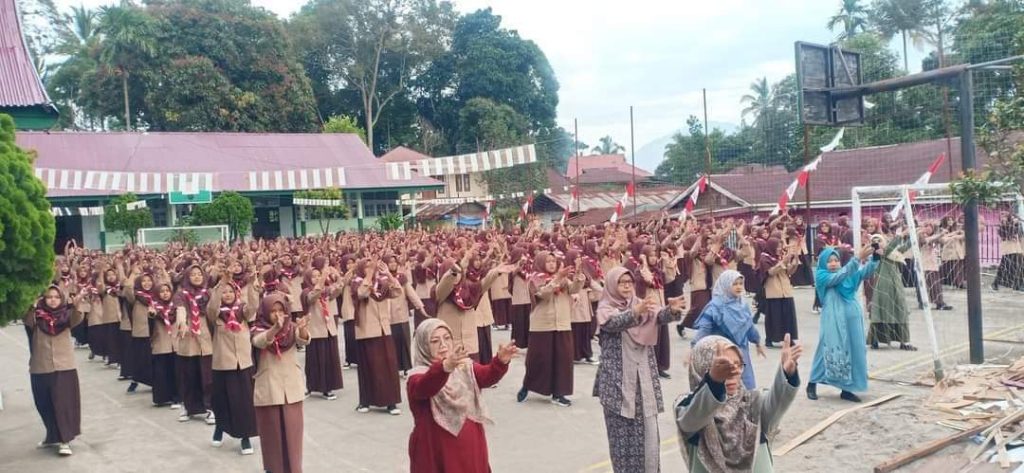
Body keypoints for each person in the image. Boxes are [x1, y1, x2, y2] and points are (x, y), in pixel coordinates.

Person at [593, 267, 685, 473]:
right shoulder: (605, 308)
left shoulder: (641, 304)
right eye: (622, 282)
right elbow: (614, 323)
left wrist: (672, 310)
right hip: (617, 387)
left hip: (644, 383)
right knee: (622, 442)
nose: (627, 286)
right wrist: (635, 312)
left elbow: (659, 316)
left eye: (630, 282)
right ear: (612, 285)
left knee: (649, 436)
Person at [674, 334, 802, 473]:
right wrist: (714, 382)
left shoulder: (751, 402)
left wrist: (787, 374)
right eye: (723, 366)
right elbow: (691, 420)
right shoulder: (688, 406)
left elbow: (775, 406)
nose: (732, 372)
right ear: (702, 367)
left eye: (737, 364)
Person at [406, 318, 517, 473]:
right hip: (435, 451)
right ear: (423, 345)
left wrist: (500, 361)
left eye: (447, 338)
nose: (443, 345)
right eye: (435, 341)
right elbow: (425, 387)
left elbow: (486, 376)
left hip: (470, 447)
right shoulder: (416, 377)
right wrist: (444, 368)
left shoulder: (464, 366)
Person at [807, 246, 879, 403]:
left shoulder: (847, 272)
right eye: (829, 261)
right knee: (828, 349)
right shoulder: (822, 275)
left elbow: (863, 273)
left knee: (855, 349)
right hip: (832, 319)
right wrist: (857, 259)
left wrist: (876, 258)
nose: (833, 264)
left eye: (836, 260)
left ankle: (847, 389)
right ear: (823, 263)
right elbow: (838, 277)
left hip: (852, 318)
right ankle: (812, 382)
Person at [251, 293, 311, 473]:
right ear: (265, 312)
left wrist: (302, 329)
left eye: (280, 310)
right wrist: (274, 329)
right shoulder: (257, 328)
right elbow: (260, 341)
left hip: (291, 388)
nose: (277, 314)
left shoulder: (290, 327)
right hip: (269, 388)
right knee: (272, 435)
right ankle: (273, 469)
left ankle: (294, 468)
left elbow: (303, 340)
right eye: (273, 311)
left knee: (293, 434)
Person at [517, 251, 583, 407]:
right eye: (548, 261)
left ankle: (558, 393)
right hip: (542, 325)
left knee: (562, 360)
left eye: (554, 261)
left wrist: (578, 273)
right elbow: (543, 294)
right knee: (539, 360)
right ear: (540, 263)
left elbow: (574, 289)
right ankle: (528, 384)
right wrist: (558, 278)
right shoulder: (534, 278)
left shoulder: (563, 279)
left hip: (562, 324)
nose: (552, 264)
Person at [26, 286, 84, 456]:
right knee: (44, 403)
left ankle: (65, 440)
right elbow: (27, 320)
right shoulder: (37, 316)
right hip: (40, 366)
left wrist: (76, 305)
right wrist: (31, 305)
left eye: (57, 297)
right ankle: (52, 436)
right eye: (49, 297)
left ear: (61, 299)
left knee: (63, 404)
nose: (53, 300)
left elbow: (77, 318)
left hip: (64, 366)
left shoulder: (66, 315)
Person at [207, 271, 259, 455]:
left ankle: (245, 436)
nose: (227, 295)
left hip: (243, 363)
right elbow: (212, 307)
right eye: (224, 292)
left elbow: (253, 306)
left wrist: (251, 285)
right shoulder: (215, 315)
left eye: (230, 291)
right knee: (222, 399)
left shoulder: (242, 311)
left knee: (244, 402)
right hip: (223, 364)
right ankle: (220, 427)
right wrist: (221, 283)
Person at [692, 270, 765, 389]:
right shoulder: (715, 306)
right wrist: (693, 348)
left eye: (740, 283)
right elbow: (704, 329)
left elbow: (749, 327)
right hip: (723, 352)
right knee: (725, 385)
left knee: (747, 385)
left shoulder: (742, 305)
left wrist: (757, 341)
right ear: (725, 285)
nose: (739, 287)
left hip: (742, 354)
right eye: (734, 284)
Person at [301, 264, 345, 400]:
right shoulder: (306, 292)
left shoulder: (325, 291)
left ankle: (327, 387)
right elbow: (313, 296)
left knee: (328, 361)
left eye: (318, 275)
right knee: (314, 361)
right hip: (315, 331)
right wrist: (322, 279)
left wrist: (338, 278)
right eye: (313, 276)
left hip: (328, 329)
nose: (317, 278)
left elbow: (337, 291)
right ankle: (312, 386)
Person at [867, 232, 916, 351]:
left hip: (896, 285)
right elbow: (890, 247)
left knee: (900, 310)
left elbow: (904, 247)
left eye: (879, 240)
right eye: (874, 241)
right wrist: (901, 235)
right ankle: (875, 340)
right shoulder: (877, 254)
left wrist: (915, 235)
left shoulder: (893, 253)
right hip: (883, 287)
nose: (877, 243)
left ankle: (904, 342)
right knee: (881, 312)